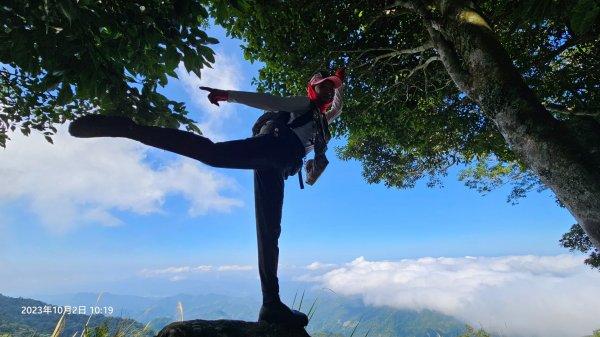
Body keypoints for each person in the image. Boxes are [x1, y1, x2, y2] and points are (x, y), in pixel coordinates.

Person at [68, 67, 345, 327]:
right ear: (311, 89)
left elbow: (337, 109)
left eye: (330, 89)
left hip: (279, 167)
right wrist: (228, 95)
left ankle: (271, 303)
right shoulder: (302, 105)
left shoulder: (323, 120)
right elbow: (267, 100)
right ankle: (130, 129)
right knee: (213, 154)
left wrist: (341, 82)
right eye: (323, 87)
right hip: (270, 149)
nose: (328, 92)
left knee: (270, 231)